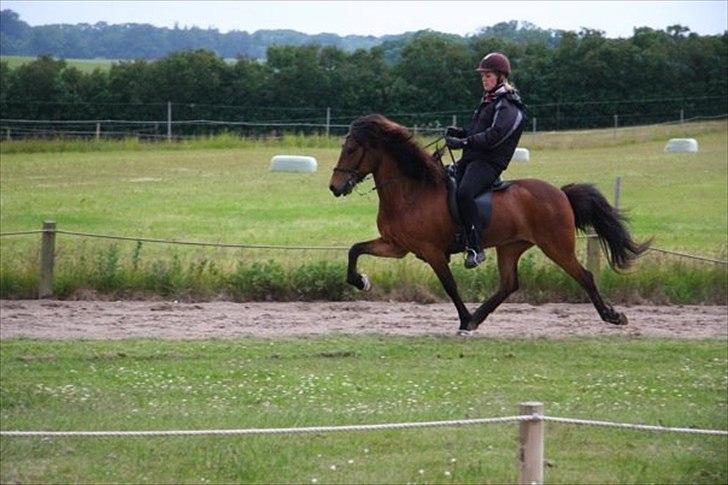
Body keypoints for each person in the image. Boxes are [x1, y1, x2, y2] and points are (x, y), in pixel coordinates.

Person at [445, 52, 526, 269]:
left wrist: (462, 143)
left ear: (500, 76)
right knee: (444, 182)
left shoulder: (508, 104)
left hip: (490, 162)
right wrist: (461, 133)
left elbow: (494, 136)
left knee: (464, 193)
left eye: (487, 75)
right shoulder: (489, 100)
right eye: (482, 75)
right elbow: (477, 131)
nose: (483, 79)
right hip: (474, 158)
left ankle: (475, 247)